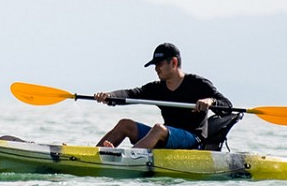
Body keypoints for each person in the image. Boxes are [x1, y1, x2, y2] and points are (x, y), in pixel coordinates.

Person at [93, 42, 232, 150]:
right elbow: (131, 94)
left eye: (159, 64)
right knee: (125, 124)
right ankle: (93, 155)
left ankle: (129, 157)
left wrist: (210, 101)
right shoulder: (158, 88)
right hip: (166, 136)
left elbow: (227, 105)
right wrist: (109, 96)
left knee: (158, 129)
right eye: (155, 65)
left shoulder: (198, 84)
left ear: (174, 62)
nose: (156, 68)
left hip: (193, 139)